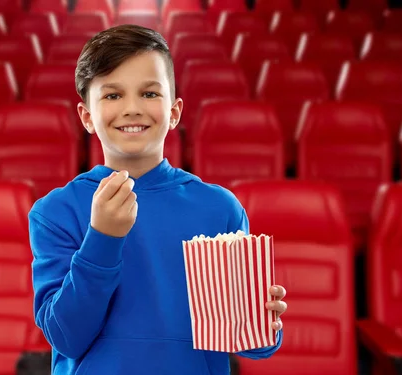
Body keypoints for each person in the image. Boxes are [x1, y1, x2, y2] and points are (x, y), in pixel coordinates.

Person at [28, 24, 287, 375]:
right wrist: (102, 237)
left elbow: (250, 341)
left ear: (175, 111)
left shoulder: (220, 208)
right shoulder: (55, 212)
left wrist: (261, 320)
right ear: (87, 116)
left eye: (149, 94)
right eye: (112, 95)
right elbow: (65, 336)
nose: (132, 108)